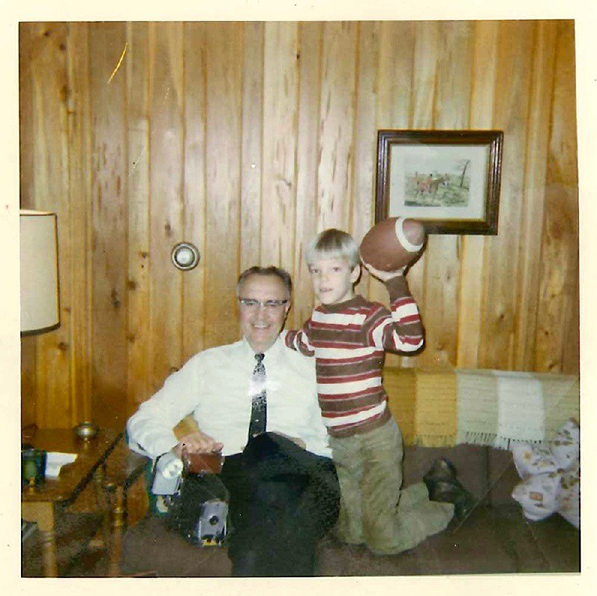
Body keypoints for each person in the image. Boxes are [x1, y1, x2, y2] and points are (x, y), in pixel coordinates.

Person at [127, 266, 340, 576]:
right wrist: (176, 446)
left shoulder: (315, 367)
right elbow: (143, 420)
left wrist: (301, 445)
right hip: (236, 483)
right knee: (267, 506)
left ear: (287, 307)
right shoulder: (207, 365)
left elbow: (347, 436)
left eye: (272, 303)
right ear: (238, 305)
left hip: (306, 476)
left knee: (268, 447)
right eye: (250, 302)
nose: (260, 315)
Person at [283, 229, 454, 555]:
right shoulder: (319, 316)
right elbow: (303, 342)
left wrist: (395, 281)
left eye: (333, 269)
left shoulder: (368, 316)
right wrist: (276, 336)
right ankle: (424, 489)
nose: (323, 279)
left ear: (355, 272)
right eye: (315, 270)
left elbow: (410, 341)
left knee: (383, 541)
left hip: (376, 437)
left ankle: (446, 505)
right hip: (341, 440)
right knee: (350, 533)